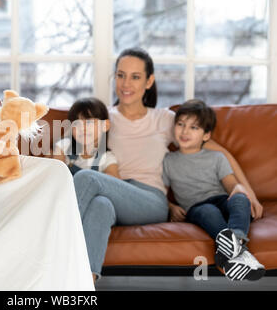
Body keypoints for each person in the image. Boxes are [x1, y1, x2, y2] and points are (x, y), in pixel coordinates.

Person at [73, 47, 263, 282]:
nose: (125, 83)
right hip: (113, 194)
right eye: (120, 75)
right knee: (100, 205)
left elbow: (219, 151)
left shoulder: (164, 120)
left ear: (149, 81)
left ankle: (47, 241)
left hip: (149, 200)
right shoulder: (104, 119)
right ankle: (82, 285)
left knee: (85, 179)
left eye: (135, 77)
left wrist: (249, 192)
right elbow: (73, 147)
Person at [163, 99, 265, 281]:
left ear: (206, 135)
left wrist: (239, 188)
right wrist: (170, 206)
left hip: (221, 199)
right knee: (208, 211)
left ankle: (234, 245)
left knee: (241, 198)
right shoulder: (168, 161)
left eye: (194, 128)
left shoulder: (217, 157)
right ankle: (240, 253)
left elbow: (231, 185)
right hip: (197, 207)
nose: (185, 131)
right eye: (181, 124)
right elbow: (160, 192)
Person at [52, 97, 120, 178]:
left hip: (89, 189)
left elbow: (115, 182)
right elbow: (55, 174)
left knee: (87, 176)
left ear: (105, 125)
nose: (82, 128)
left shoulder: (107, 158)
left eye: (88, 122)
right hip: (65, 188)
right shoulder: (64, 146)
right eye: (76, 124)